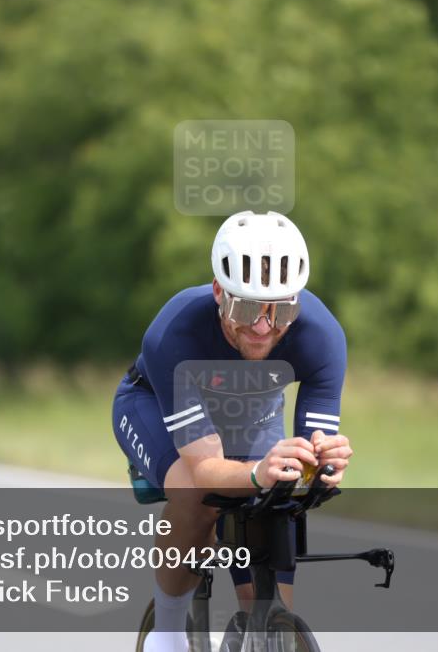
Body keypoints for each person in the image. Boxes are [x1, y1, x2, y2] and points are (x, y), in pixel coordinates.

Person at [112, 210, 352, 652]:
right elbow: (204, 467)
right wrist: (255, 473)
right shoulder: (175, 331)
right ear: (219, 292)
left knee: (275, 507)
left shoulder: (322, 337)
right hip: (152, 404)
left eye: (280, 310)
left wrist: (323, 466)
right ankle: (167, 636)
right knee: (197, 496)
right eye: (245, 307)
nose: (263, 326)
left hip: (250, 411)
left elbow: (311, 450)